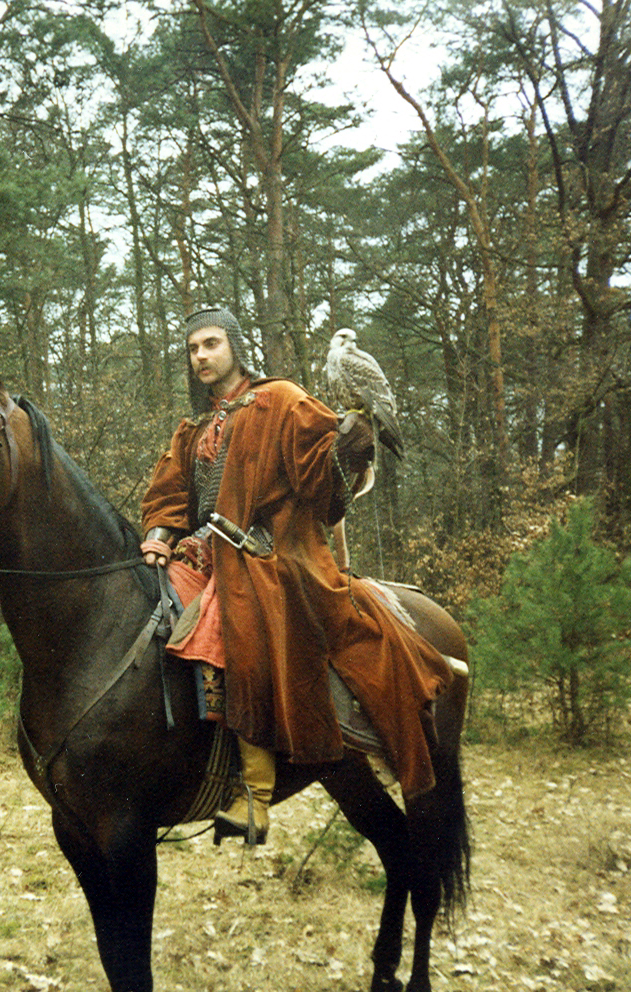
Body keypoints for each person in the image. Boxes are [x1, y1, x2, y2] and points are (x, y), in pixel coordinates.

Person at [140, 307, 453, 845]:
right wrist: (159, 538)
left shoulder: (283, 399)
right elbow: (169, 492)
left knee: (238, 625)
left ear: (235, 346)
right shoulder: (193, 428)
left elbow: (324, 473)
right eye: (193, 349)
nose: (201, 356)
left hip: (276, 555)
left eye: (211, 344)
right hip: (205, 556)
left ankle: (255, 795)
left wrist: (350, 444)